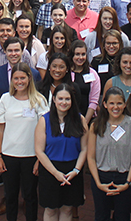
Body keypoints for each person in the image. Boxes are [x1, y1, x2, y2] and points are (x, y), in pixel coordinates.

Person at [0, 63, 49, 221]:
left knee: (30, 196)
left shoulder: (39, 100)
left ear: (29, 78)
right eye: (16, 78)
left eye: (22, 78)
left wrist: (40, 158)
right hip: (9, 155)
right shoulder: (5, 99)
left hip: (31, 155)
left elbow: (44, 132)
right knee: (10, 196)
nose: (19, 81)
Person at [34, 84, 89, 221]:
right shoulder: (44, 120)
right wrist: (55, 173)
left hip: (72, 171)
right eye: (60, 98)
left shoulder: (80, 120)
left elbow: (84, 149)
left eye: (67, 99)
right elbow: (39, 151)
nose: (64, 102)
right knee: (51, 210)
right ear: (54, 99)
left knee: (67, 208)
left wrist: (76, 170)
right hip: (50, 169)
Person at [86, 87, 131, 221]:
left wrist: (127, 182)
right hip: (101, 177)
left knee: (122, 216)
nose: (115, 107)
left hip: (124, 178)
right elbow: (91, 157)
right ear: (105, 104)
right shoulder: (96, 125)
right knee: (101, 216)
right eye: (111, 103)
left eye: (119, 103)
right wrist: (98, 183)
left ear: (125, 104)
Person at [68, 39, 101, 119]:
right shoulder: (66, 72)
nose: (80, 57)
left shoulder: (93, 74)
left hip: (88, 116)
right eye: (77, 54)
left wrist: (85, 122)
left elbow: (94, 101)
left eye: (83, 54)